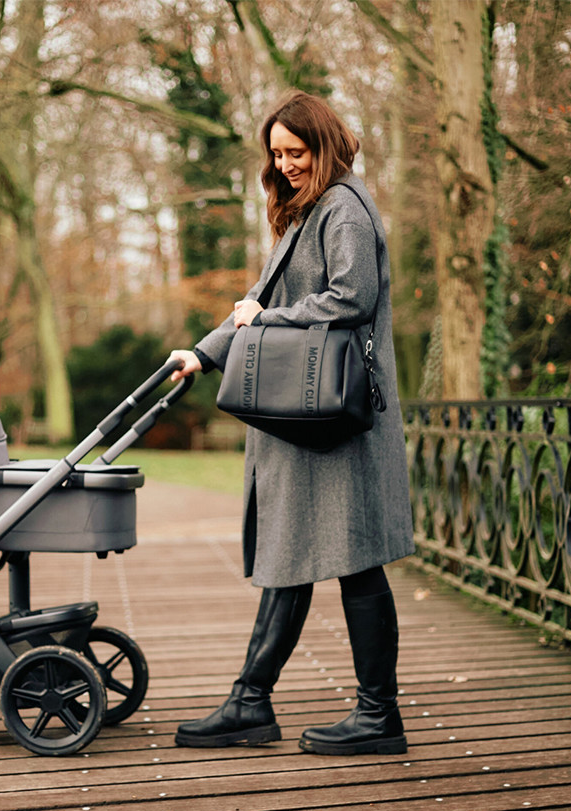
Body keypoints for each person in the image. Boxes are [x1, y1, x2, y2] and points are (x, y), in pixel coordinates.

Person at [168, 90, 415, 756]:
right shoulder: (308, 212)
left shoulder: (344, 208)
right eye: (276, 155)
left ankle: (376, 716)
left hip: (337, 419)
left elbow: (349, 298)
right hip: (310, 423)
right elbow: (259, 299)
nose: (284, 165)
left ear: (323, 145)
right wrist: (205, 352)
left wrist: (265, 322)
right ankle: (252, 702)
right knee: (293, 555)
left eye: (295, 152)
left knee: (355, 563)